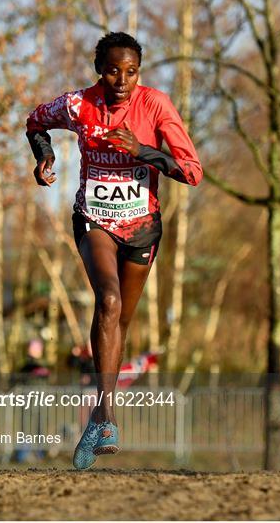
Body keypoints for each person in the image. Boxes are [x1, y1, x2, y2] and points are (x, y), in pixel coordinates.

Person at [26, 32, 202, 469]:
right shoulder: (77, 105)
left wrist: (143, 151)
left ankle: (97, 422)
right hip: (95, 220)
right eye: (111, 70)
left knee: (120, 320)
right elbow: (34, 121)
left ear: (139, 72)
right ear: (98, 68)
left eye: (131, 71)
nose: (121, 80)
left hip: (143, 230)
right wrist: (43, 155)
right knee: (107, 299)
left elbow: (193, 172)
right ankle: (105, 416)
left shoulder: (156, 105)